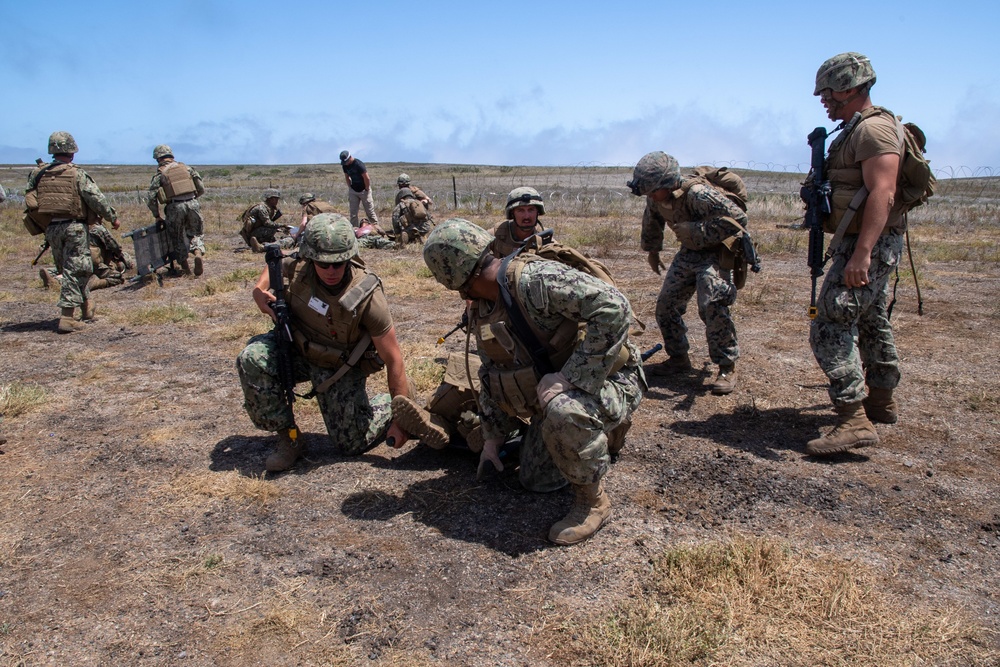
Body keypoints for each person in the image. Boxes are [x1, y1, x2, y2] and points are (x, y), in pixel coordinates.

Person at [417, 218, 645, 546]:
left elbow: (615, 307)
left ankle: (593, 503)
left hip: (614, 378)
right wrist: (493, 440)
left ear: (452, 278)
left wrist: (570, 377)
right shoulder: (483, 304)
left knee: (563, 411)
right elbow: (493, 373)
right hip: (557, 388)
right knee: (536, 480)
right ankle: (596, 430)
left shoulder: (533, 281)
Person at [236, 213, 413, 471]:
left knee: (351, 444)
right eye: (323, 263)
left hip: (337, 366)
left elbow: (393, 358)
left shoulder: (367, 296)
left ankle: (398, 400)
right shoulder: (299, 268)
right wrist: (259, 291)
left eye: (339, 263)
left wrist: (401, 416)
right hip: (296, 349)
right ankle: (290, 439)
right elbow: (276, 262)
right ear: (310, 257)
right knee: (252, 359)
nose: (331, 270)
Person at [805, 53, 906, 456]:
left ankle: (852, 419)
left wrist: (862, 254)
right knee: (870, 315)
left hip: (868, 243)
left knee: (830, 321)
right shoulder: (855, 129)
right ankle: (880, 400)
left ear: (849, 87)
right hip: (863, 239)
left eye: (828, 92)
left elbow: (883, 192)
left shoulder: (875, 130)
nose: (824, 100)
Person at [628, 151, 748, 395]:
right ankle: (678, 358)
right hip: (690, 252)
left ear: (669, 183)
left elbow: (738, 219)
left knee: (712, 304)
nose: (650, 197)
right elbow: (652, 220)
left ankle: (727, 366)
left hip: (717, 252)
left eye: (653, 191)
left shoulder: (698, 195)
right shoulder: (656, 196)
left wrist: (695, 230)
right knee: (666, 305)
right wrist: (653, 251)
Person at [25, 131, 118, 333]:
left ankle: (86, 307)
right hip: (74, 227)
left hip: (51, 228)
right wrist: (112, 217)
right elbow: (96, 199)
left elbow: (31, 200)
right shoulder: (77, 173)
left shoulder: (39, 174)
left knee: (71, 269)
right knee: (75, 270)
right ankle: (67, 317)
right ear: (72, 152)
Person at [147, 145, 207, 276]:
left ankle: (186, 269)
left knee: (177, 237)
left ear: (158, 159)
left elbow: (151, 197)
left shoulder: (160, 173)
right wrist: (192, 199)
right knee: (195, 233)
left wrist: (157, 215)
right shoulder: (187, 168)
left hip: (175, 206)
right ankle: (197, 252)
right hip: (192, 202)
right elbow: (201, 188)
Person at [491, 186, 546, 256]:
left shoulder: (545, 238)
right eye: (520, 210)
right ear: (512, 213)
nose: (527, 216)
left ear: (537, 212)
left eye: (531, 210)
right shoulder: (495, 235)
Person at [340, 150, 379, 227]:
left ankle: (377, 229)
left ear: (350, 157)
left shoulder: (358, 164)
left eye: (347, 161)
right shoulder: (345, 165)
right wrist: (350, 187)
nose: (346, 163)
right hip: (354, 191)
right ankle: (354, 230)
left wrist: (367, 189)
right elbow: (346, 176)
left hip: (364, 191)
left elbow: (367, 178)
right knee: (353, 213)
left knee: (370, 212)